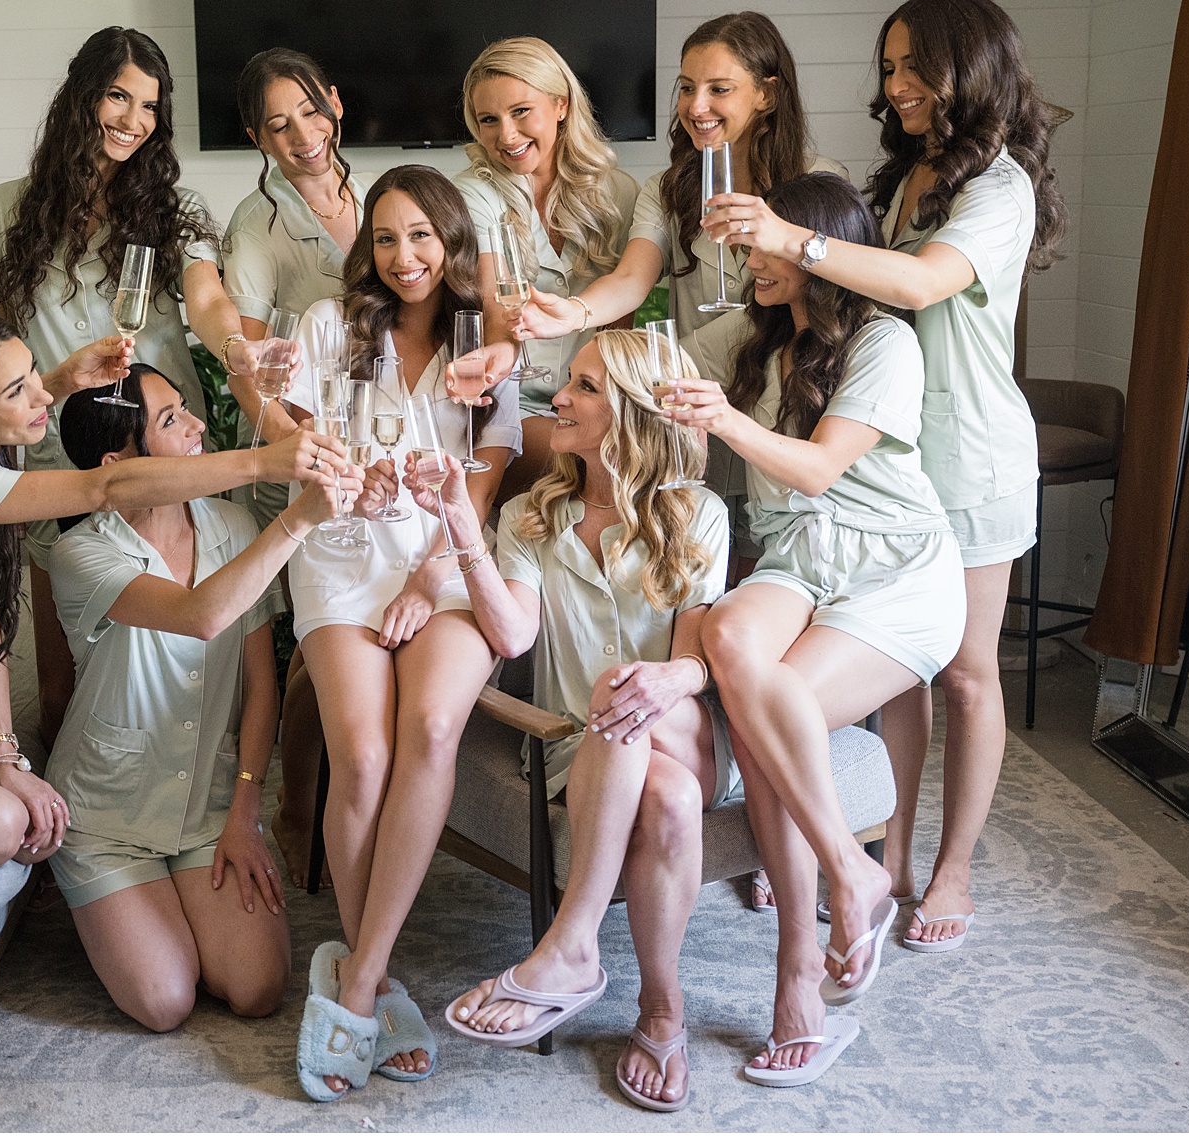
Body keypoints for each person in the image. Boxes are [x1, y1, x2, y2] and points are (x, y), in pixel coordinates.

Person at [702, 0, 1068, 949]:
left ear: (969, 70)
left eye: (914, 67)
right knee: (895, 670)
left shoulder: (1000, 188)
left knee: (966, 676)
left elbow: (913, 283)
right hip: (887, 464)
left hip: (971, 459)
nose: (896, 85)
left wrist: (788, 235)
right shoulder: (905, 177)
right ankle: (887, 853)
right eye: (890, 68)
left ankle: (953, 870)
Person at [0, 306, 347, 873]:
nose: (43, 400)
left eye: (33, 377)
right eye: (19, 390)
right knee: (10, 824)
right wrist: (261, 463)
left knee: (26, 793)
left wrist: (3, 750)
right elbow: (106, 486)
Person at [671, 173, 966, 1085]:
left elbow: (818, 469)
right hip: (802, 563)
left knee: (770, 710)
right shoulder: (750, 340)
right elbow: (649, 358)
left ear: (816, 245)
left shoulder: (885, 341)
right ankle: (852, 869)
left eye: (767, 243)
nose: (750, 260)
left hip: (895, 569)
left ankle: (797, 974)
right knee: (730, 641)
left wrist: (723, 418)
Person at [428, 330, 732, 1112]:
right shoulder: (535, 512)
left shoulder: (698, 512)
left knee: (620, 696)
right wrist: (466, 531)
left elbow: (696, 664)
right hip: (583, 752)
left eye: (584, 386)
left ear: (632, 408)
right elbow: (513, 634)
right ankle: (662, 1013)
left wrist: (667, 679)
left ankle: (570, 945)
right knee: (657, 788)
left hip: (682, 728)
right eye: (567, 381)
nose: (558, 397)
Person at [0, 26, 284, 743]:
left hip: (162, 450)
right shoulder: (4, 209)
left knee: (183, 653)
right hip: (54, 460)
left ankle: (195, 813)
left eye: (149, 108)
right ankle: (64, 829)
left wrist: (235, 346)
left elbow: (205, 299)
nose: (133, 121)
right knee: (62, 672)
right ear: (81, 96)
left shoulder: (175, 205)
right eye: (118, 97)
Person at [285, 165, 520, 1101]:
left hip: (451, 561)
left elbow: (486, 484)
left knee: (429, 729)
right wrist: (350, 490)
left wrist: (431, 574)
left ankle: (355, 980)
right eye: (386, 238)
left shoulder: (488, 344)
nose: (405, 256)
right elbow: (308, 469)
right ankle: (376, 980)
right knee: (366, 754)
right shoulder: (328, 328)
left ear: (453, 241)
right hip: (344, 560)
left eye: (423, 235)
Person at [41, 365, 362, 1031]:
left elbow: (260, 685)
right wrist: (301, 516)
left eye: (185, 408)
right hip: (107, 813)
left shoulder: (234, 525)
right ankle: (114, 906)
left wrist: (244, 810)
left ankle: (176, 904)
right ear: (118, 462)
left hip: (209, 805)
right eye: (169, 420)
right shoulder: (80, 554)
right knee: (165, 1001)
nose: (196, 425)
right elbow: (200, 615)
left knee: (257, 987)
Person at [507, 13, 847, 601]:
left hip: (792, 392)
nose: (697, 105)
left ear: (766, 94)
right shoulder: (668, 189)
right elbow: (632, 279)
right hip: (698, 400)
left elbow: (844, 303)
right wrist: (576, 312)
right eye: (687, 87)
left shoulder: (820, 185)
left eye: (719, 88)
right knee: (710, 569)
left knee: (782, 571)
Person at [221, 47, 373, 888]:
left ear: (336, 104)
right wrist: (288, 444)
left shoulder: (374, 195)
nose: (302, 136)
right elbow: (243, 359)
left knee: (345, 631)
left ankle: (319, 794)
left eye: (310, 113)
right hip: (309, 443)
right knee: (316, 636)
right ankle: (295, 797)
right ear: (257, 135)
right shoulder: (257, 224)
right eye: (277, 124)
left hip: (382, 443)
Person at [453, 36, 637, 498]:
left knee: (644, 457)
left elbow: (618, 330)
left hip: (593, 399)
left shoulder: (618, 193)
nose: (506, 135)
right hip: (512, 396)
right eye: (488, 120)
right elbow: (498, 317)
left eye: (520, 112)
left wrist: (603, 406)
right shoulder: (473, 193)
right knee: (598, 469)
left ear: (560, 104)